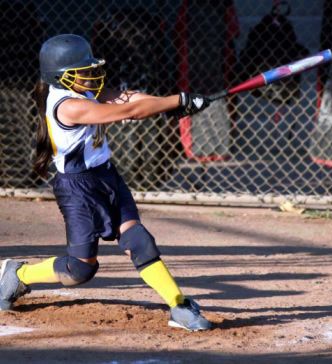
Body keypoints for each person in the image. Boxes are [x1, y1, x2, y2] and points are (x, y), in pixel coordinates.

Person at [0, 34, 211, 332]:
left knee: (138, 240)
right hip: (78, 188)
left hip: (107, 176)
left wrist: (169, 104)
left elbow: (130, 98)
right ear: (61, 77)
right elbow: (128, 111)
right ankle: (18, 274)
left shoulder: (83, 93)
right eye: (81, 72)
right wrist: (177, 101)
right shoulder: (67, 106)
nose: (90, 76)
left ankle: (179, 305)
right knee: (80, 269)